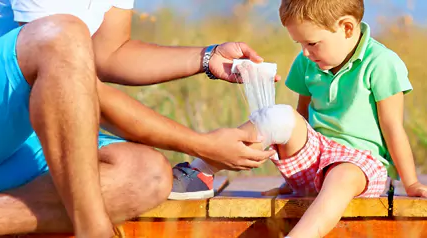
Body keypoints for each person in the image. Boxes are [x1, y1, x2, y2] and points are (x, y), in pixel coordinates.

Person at [0, 0, 277, 237]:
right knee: (63, 34)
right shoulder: (57, 40)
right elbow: (64, 70)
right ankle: (94, 232)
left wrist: (207, 58)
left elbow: (110, 52)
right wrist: (200, 145)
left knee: (147, 175)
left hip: (12, 140)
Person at [169, 0, 427, 237]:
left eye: (311, 43)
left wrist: (411, 182)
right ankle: (200, 170)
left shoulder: (382, 63)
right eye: (300, 44)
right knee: (279, 115)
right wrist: (291, 171)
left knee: (342, 176)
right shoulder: (308, 62)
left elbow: (393, 127)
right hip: (315, 159)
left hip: (360, 166)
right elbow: (299, 120)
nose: (304, 52)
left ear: (347, 28)